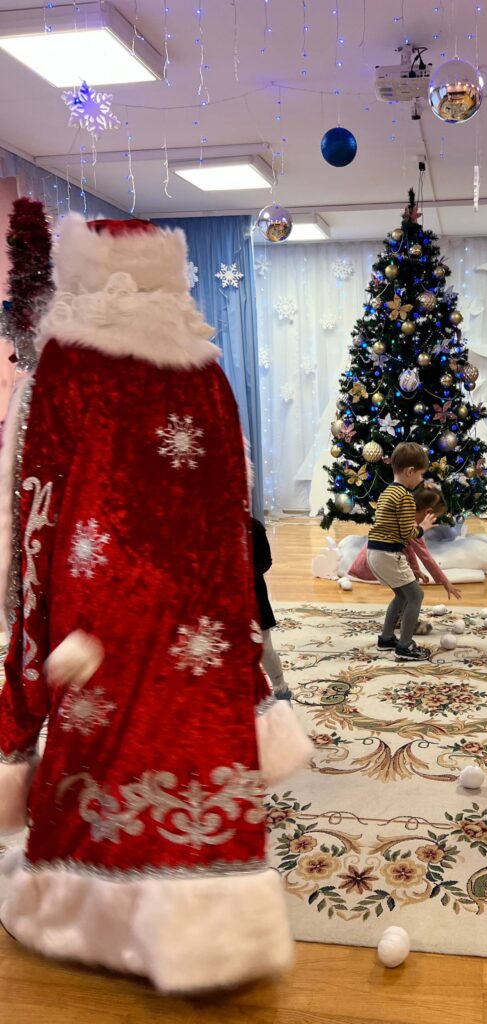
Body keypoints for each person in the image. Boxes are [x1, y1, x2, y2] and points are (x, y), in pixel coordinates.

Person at [0, 215, 298, 993]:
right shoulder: (206, 368)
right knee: (193, 734)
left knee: (101, 741)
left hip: (96, 596)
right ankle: (215, 928)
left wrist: (30, 622)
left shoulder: (66, 362)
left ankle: (89, 908)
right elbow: (235, 502)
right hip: (198, 595)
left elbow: (36, 497)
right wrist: (237, 612)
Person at [367, 442, 437, 661]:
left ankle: (386, 638)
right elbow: (407, 533)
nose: (421, 480)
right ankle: (405, 646)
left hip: (375, 551)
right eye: (421, 475)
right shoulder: (405, 496)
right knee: (416, 595)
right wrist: (423, 528)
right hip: (388, 553)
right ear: (410, 471)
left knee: (401, 595)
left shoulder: (387, 492)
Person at [347, 484, 462, 617]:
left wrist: (415, 570)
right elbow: (425, 557)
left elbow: (407, 548)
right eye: (434, 518)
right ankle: (405, 622)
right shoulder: (412, 527)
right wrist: (445, 582)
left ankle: (398, 621)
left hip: (372, 557)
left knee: (405, 594)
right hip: (381, 560)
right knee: (414, 595)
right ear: (428, 513)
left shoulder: (403, 517)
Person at [251, 517, 290, 698]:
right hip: (221, 599)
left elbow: (266, 560)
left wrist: (248, 572)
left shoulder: (253, 526)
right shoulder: (208, 527)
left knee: (264, 648)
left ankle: (281, 688)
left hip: (254, 595)